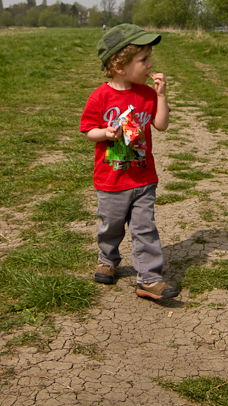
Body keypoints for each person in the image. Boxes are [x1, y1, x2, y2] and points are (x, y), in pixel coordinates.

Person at [80, 23, 180, 300]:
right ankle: (108, 260)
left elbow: (161, 125)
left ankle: (149, 279)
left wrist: (160, 95)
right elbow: (88, 131)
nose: (150, 65)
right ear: (119, 66)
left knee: (145, 227)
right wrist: (105, 133)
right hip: (111, 180)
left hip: (143, 178)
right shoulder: (100, 97)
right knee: (110, 225)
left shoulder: (147, 94)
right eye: (143, 60)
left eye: (150, 59)